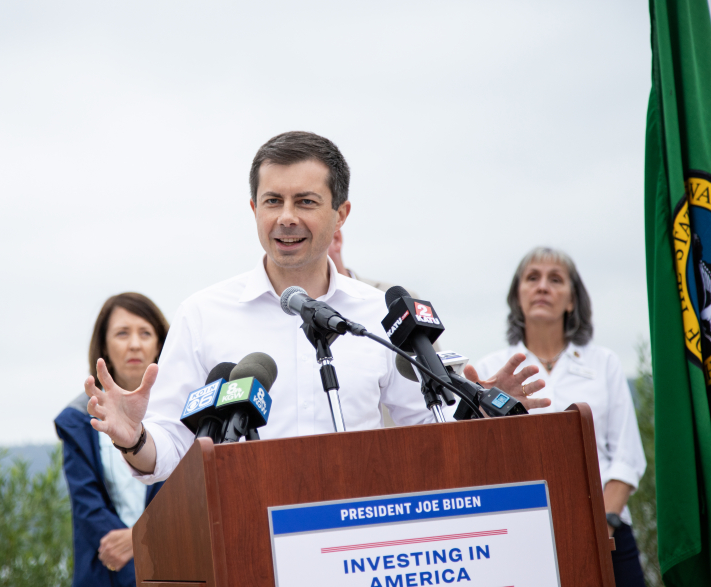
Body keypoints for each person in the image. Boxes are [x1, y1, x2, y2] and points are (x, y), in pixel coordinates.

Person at [85, 131, 548, 484]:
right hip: (247, 540)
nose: (286, 217)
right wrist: (135, 438)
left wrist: (482, 416)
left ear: (341, 214)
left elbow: (431, 435)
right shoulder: (204, 314)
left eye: (305, 201)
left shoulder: (380, 316)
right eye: (273, 201)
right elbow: (166, 453)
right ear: (253, 209)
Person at [471, 247, 646, 587]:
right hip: (522, 536)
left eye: (555, 279)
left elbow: (627, 459)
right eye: (532, 278)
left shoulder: (604, 363)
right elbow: (479, 459)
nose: (542, 287)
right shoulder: (492, 369)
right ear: (517, 297)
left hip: (606, 531)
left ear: (571, 301)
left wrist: (600, 526)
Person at [54, 293, 168, 587]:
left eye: (145, 333)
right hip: (107, 572)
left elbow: (197, 496)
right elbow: (87, 507)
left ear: (160, 343)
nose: (134, 344)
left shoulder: (185, 413)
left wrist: (141, 539)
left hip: (175, 566)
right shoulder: (78, 418)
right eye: (122, 333)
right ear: (104, 345)